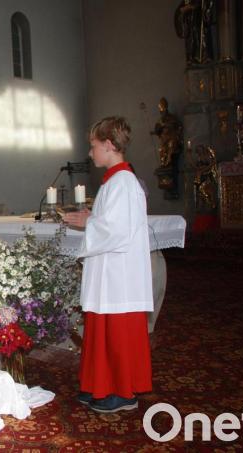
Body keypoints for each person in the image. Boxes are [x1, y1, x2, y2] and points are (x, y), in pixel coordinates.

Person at [63, 116, 153, 414]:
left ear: (110, 145)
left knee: (117, 333)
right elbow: (110, 224)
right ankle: (101, 385)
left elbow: (118, 232)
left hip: (120, 276)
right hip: (109, 271)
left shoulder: (124, 183)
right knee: (102, 329)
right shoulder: (114, 181)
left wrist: (91, 221)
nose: (90, 153)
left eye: (94, 146)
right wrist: (93, 219)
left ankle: (123, 391)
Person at [150, 97, 183, 169]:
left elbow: (179, 126)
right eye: (161, 112)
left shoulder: (172, 118)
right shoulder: (160, 120)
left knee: (171, 147)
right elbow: (157, 130)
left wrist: (177, 135)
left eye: (163, 111)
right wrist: (155, 131)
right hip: (164, 139)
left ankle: (168, 163)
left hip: (171, 138)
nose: (162, 113)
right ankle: (164, 164)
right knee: (161, 150)